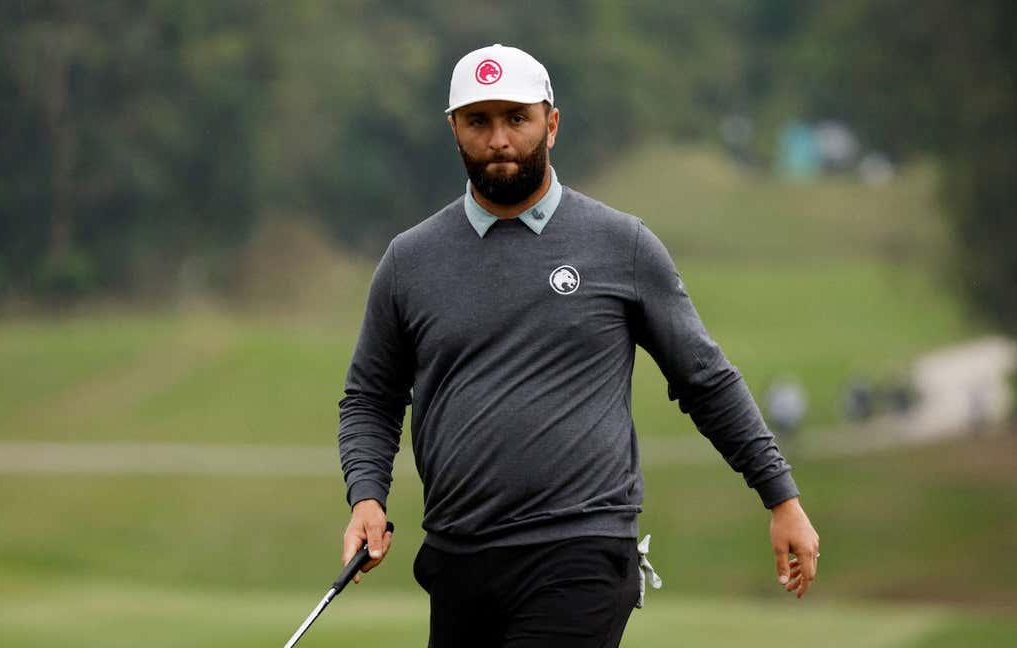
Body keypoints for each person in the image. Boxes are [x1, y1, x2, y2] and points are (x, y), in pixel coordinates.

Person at [337, 43, 820, 647]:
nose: (499, 140)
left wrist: (782, 497)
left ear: (552, 123)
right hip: (458, 556)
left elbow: (704, 378)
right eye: (478, 121)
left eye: (517, 118)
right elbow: (371, 397)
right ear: (453, 129)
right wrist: (366, 497)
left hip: (580, 551)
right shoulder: (410, 261)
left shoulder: (622, 245)